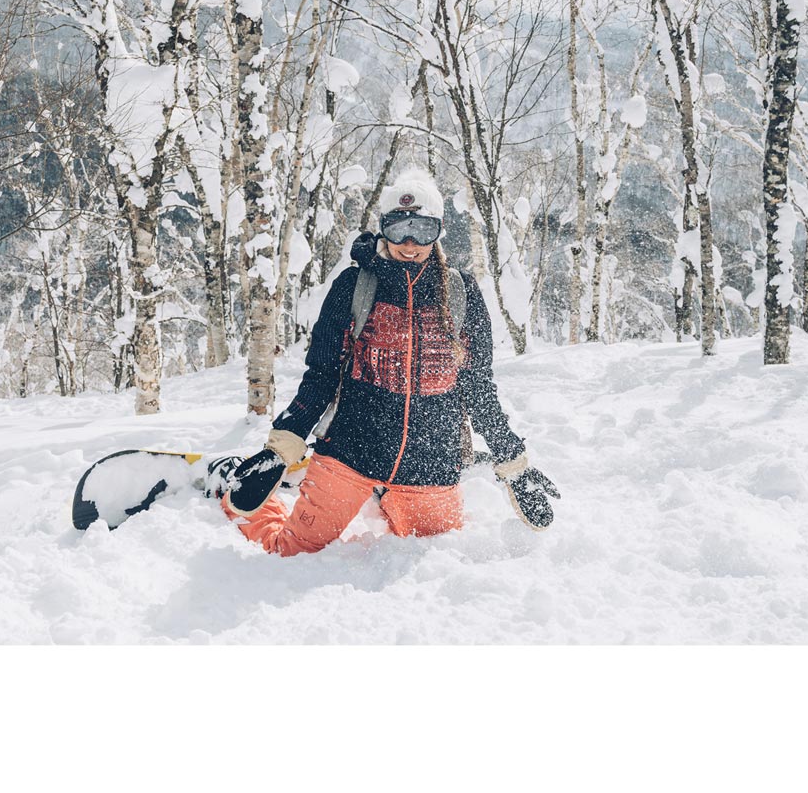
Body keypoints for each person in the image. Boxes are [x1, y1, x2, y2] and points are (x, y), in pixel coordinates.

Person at [211, 167, 560, 556]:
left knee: (439, 558)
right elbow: (321, 375)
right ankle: (230, 483)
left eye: (423, 230)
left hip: (430, 464)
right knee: (291, 552)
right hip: (350, 452)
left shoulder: (461, 293)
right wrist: (280, 449)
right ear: (383, 228)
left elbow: (478, 387)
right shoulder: (354, 286)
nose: (409, 243)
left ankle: (388, 499)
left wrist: (513, 462)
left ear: (439, 231)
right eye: (398, 228)